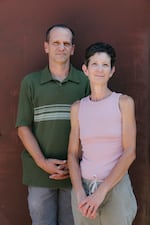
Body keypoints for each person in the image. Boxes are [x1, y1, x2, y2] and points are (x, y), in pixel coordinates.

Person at [16, 24, 90, 225]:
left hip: (75, 171)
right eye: (56, 43)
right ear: (46, 46)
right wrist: (42, 162)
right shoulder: (31, 82)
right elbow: (23, 127)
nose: (61, 48)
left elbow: (91, 128)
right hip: (39, 172)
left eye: (66, 43)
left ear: (73, 49)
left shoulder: (85, 82)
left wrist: (73, 161)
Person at [68, 42, 137, 225]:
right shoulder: (77, 108)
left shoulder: (123, 102)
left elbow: (130, 151)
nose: (99, 69)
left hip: (115, 188)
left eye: (105, 65)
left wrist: (101, 192)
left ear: (112, 71)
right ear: (85, 69)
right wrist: (79, 192)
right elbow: (72, 154)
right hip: (83, 187)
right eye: (95, 64)